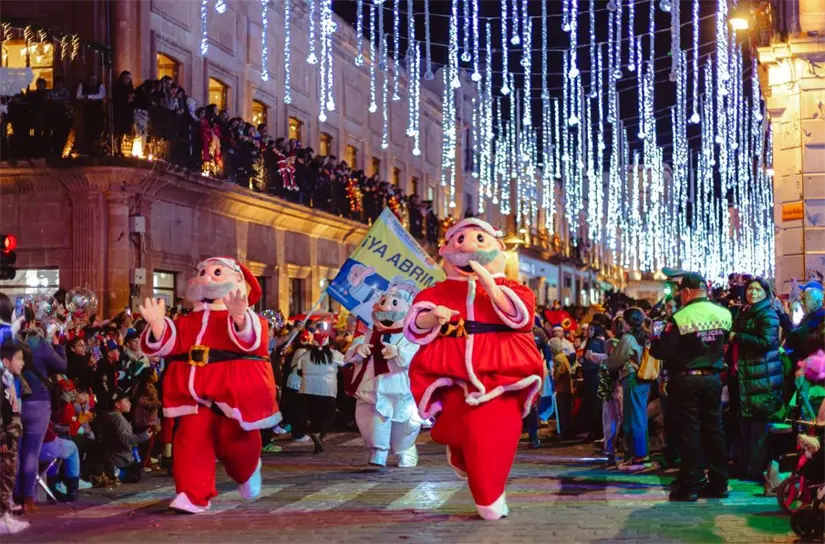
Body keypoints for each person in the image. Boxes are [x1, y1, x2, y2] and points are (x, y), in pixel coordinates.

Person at [403, 217, 544, 520]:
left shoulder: (513, 288)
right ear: (446, 249)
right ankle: (463, 453)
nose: (470, 246)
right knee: (460, 429)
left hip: (504, 372)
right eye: (461, 240)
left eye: (481, 240)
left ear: (498, 248)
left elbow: (522, 318)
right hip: (451, 373)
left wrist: (491, 286)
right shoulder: (438, 290)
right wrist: (432, 317)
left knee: (496, 435)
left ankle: (489, 497)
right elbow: (413, 325)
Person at [139, 256, 278, 514]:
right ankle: (191, 495)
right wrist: (158, 326)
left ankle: (247, 472)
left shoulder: (247, 318)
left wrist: (239, 318)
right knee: (189, 443)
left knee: (238, 445)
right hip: (192, 396)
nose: (206, 277)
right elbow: (169, 344)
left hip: (232, 395)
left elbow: (252, 340)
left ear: (238, 281)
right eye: (202, 271)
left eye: (216, 272)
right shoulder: (186, 321)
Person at [650, 272, 732, 502]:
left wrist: (654, 342)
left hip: (686, 379)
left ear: (686, 292)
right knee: (714, 430)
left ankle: (691, 485)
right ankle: (719, 483)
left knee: (689, 431)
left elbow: (664, 350)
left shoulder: (680, 317)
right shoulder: (724, 314)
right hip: (713, 378)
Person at [344, 282, 421, 467]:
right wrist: (358, 350)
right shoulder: (369, 334)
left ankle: (404, 449)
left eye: (394, 304)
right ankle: (378, 450)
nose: (386, 308)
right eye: (384, 302)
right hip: (373, 386)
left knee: (404, 424)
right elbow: (348, 355)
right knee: (372, 420)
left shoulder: (411, 335)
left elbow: (419, 356)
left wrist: (399, 352)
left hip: (401, 388)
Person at [729, 277, 783, 483]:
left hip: (762, 377)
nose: (752, 293)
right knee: (746, 425)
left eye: (757, 289)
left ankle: (754, 470)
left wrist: (737, 337)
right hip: (747, 375)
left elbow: (768, 342)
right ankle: (744, 466)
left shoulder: (767, 314)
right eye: (750, 289)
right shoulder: (746, 313)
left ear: (765, 293)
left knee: (759, 426)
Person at [16, 328, 66, 513]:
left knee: (17, 451)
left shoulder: (10, 339)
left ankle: (14, 497)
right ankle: (28, 498)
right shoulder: (40, 343)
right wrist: (59, 345)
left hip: (15, 400)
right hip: (39, 400)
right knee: (31, 452)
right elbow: (61, 366)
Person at [606, 307, 651, 470]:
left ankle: (638, 457)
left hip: (632, 378)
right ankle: (640, 454)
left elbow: (615, 361)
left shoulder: (628, 338)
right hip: (644, 379)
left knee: (633, 417)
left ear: (627, 322)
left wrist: (608, 360)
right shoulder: (645, 335)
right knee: (640, 416)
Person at [293, 330, 344, 453]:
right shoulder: (334, 355)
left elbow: (299, 371)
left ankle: (315, 436)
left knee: (314, 417)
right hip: (327, 390)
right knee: (330, 416)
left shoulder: (305, 355)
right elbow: (345, 364)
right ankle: (319, 437)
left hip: (307, 390)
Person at [0, 342, 29, 534]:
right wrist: (2, 438)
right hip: (4, 438)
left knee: (7, 476)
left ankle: (5, 515)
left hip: (11, 437)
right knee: (3, 476)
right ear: (6, 361)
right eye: (19, 359)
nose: (23, 363)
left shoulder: (8, 381)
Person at [100, 389, 152, 483]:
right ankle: (115, 473)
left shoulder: (109, 416)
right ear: (117, 405)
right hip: (120, 458)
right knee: (135, 476)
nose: (130, 403)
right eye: (126, 401)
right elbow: (126, 439)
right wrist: (144, 436)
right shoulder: (118, 419)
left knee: (136, 472)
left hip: (115, 456)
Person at [550, 337, 574, 438]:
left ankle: (564, 431)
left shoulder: (558, 358)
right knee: (566, 411)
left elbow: (561, 371)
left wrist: (554, 377)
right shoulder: (562, 356)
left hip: (562, 388)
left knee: (563, 412)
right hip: (566, 388)